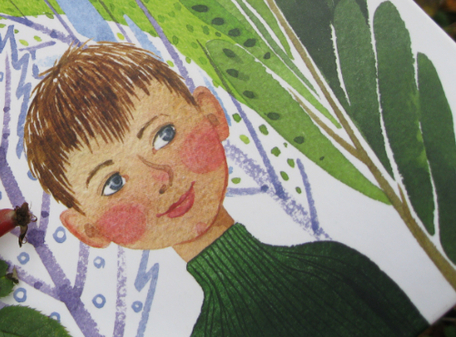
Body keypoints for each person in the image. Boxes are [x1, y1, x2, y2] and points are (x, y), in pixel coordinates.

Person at [24, 41, 428, 336]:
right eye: (114, 183)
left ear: (211, 114)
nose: (160, 179)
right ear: (89, 229)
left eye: (164, 135)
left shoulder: (335, 266)